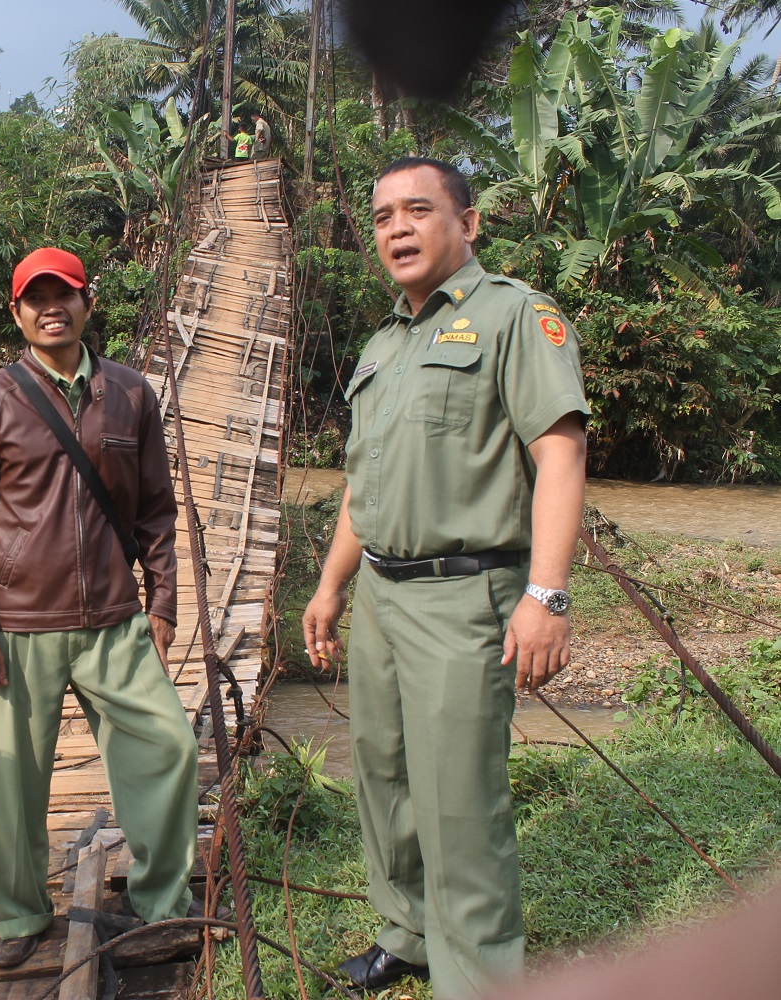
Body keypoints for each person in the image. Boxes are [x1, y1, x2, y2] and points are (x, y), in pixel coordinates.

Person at [302, 157, 589, 997]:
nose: (397, 227)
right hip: (382, 596)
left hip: (467, 595)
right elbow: (365, 484)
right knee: (384, 777)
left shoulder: (514, 316)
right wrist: (329, 587)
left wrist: (547, 595)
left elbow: (560, 452)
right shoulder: (383, 345)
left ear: (468, 222)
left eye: (418, 209)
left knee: (460, 804)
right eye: (384, 214)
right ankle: (410, 935)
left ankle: (479, 977)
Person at [0, 247, 199, 969]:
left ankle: (159, 904)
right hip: (22, 625)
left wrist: (164, 600)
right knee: (14, 779)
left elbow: (155, 507)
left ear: (88, 302)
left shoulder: (128, 394)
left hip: (115, 619)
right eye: (36, 297)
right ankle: (21, 913)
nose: (50, 307)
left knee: (170, 748)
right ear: (16, 310)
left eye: (65, 294)